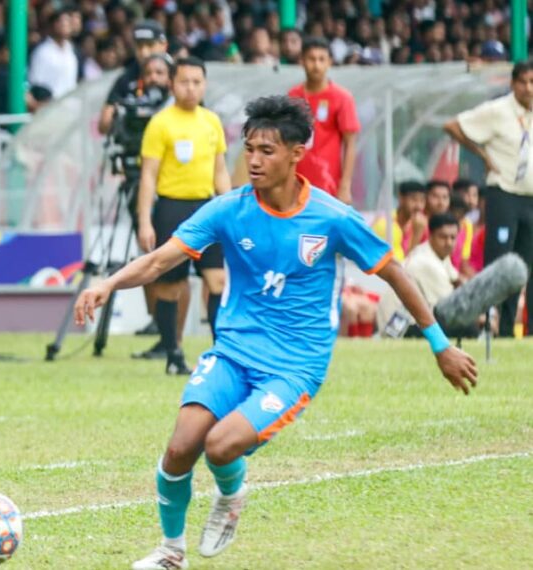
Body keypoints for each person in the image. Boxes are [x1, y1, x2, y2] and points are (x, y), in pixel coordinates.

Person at [73, 95, 478, 570]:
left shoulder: (331, 217)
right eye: (249, 149)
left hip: (293, 367)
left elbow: (395, 273)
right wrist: (108, 285)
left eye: (267, 151)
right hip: (233, 353)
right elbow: (161, 260)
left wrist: (440, 345)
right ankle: (171, 552)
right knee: (180, 447)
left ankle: (231, 494)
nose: (255, 160)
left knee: (220, 446)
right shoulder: (229, 210)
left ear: (296, 153)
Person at [132, 56, 230, 372]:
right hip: (172, 208)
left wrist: (230, 207)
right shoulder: (161, 123)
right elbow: (148, 175)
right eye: (184, 82)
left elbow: (220, 170)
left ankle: (223, 354)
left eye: (197, 82)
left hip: (208, 208)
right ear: (172, 84)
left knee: (217, 280)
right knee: (169, 286)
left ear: (205, 85)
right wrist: (144, 221)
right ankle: (173, 354)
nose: (191, 88)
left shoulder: (212, 121)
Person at [98, 21, 176, 340]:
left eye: (150, 45)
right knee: (147, 245)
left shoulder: (178, 76)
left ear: (163, 45)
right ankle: (155, 319)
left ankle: (170, 326)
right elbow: (104, 123)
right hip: (136, 170)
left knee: (170, 248)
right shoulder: (126, 79)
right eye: (140, 46)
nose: (145, 52)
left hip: (174, 177)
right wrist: (125, 112)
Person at [444, 60, 533, 337]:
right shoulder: (498, 110)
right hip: (504, 194)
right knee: (500, 264)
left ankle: (525, 333)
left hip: (530, 197)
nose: (529, 88)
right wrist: (482, 155)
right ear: (513, 84)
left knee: (527, 266)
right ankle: (494, 330)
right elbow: (453, 125)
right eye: (523, 82)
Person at [288, 37, 360, 204]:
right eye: (311, 59)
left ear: (330, 62)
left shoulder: (342, 97)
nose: (316, 65)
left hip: (329, 185)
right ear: (302, 61)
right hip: (296, 183)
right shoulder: (293, 96)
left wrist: (345, 185)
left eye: (321, 59)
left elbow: (350, 143)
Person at [377, 213, 461, 331]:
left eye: (453, 237)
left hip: (408, 321)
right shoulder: (426, 263)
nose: (449, 243)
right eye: (443, 237)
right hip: (397, 327)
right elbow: (452, 306)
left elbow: (457, 279)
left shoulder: (439, 255)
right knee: (466, 326)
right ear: (431, 236)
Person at [371, 180, 428, 261]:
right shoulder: (386, 225)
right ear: (401, 198)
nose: (418, 206)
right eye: (414, 199)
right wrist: (416, 235)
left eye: (422, 201)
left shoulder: (420, 224)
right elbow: (400, 265)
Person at [28, 9, 78, 99]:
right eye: (62, 22)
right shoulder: (42, 52)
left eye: (68, 22)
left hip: (70, 103)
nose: (66, 25)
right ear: (53, 25)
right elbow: (35, 83)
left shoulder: (72, 51)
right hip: (50, 104)